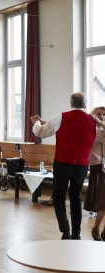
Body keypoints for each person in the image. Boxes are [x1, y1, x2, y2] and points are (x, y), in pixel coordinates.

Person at [30, 92, 97, 240]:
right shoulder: (92, 121)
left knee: (59, 197)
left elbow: (40, 132)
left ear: (71, 103)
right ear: (85, 104)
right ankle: (76, 233)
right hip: (81, 165)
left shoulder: (62, 117)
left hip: (62, 163)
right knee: (76, 198)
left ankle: (65, 230)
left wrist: (36, 122)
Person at [84, 106, 105, 241]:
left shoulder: (101, 130)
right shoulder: (93, 131)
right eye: (99, 114)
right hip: (98, 168)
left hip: (103, 167)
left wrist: (98, 121)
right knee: (102, 203)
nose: (102, 116)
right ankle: (96, 229)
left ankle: (101, 231)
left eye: (103, 114)